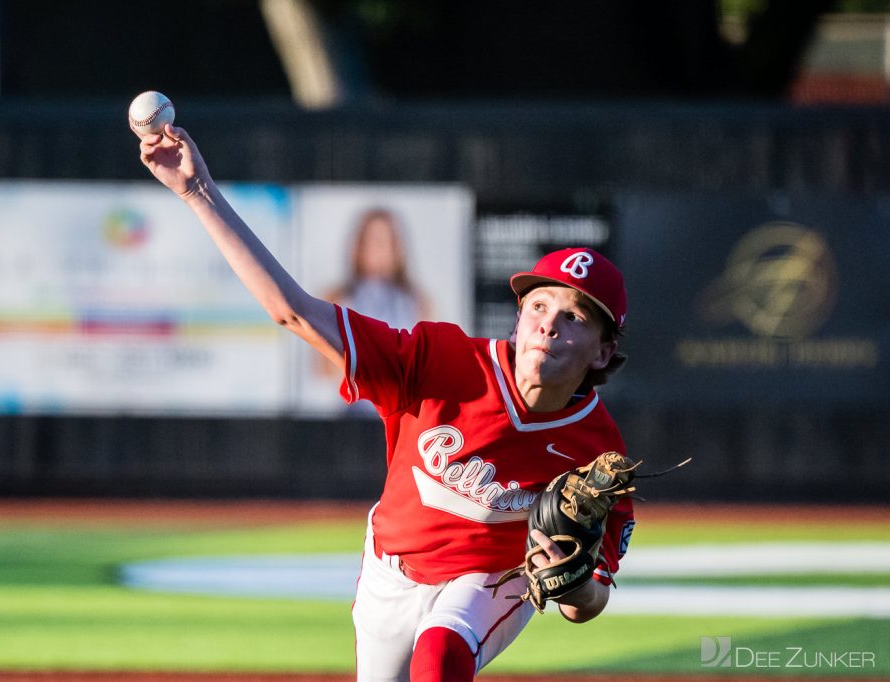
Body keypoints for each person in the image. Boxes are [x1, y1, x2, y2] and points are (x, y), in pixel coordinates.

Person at [138, 124, 634, 682]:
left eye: (575, 316)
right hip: (390, 569)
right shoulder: (439, 359)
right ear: (519, 316)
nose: (550, 323)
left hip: (492, 580)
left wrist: (575, 584)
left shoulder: (599, 450)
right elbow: (292, 311)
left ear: (602, 350)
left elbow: (586, 605)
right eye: (540, 305)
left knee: (441, 655)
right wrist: (197, 191)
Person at [324, 207, 431, 331]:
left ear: (396, 249)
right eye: (370, 240)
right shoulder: (335, 299)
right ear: (359, 246)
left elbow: (429, 348)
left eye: (382, 242)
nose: (376, 249)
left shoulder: (418, 304)